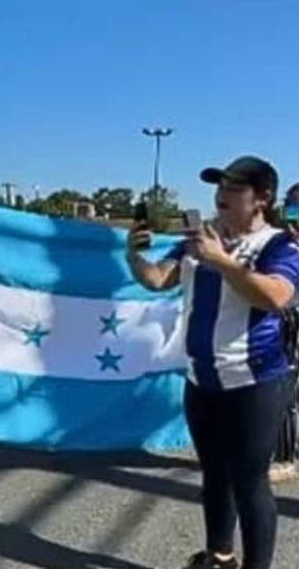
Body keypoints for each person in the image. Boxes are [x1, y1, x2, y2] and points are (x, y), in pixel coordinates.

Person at [127, 156, 299, 569]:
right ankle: (220, 556)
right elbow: (157, 279)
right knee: (215, 474)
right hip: (202, 379)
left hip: (254, 382)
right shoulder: (198, 240)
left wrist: (221, 260)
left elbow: (275, 297)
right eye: (219, 187)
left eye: (234, 188)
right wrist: (133, 255)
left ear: (262, 199)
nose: (222, 195)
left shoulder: (279, 245)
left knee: (249, 482)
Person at [269, 183, 299, 484]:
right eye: (291, 208)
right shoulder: (277, 244)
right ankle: (284, 454)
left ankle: (289, 458)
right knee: (283, 391)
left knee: (288, 394)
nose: (293, 218)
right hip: (283, 324)